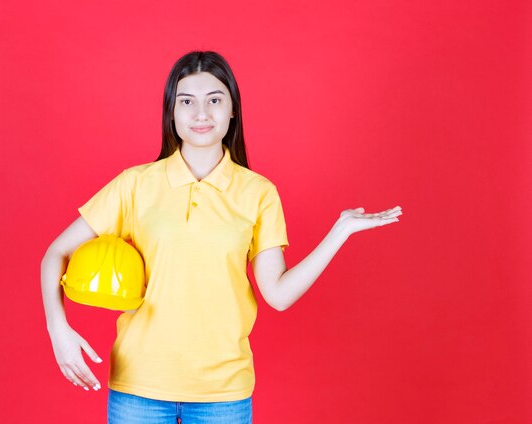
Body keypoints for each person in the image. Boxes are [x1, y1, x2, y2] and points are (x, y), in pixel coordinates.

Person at [41, 50, 402, 424]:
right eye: (187, 102)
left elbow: (278, 295)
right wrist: (58, 331)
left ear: (232, 111)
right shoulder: (135, 185)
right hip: (139, 387)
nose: (201, 113)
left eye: (215, 100)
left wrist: (339, 231)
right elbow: (56, 254)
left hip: (223, 395)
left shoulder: (258, 192)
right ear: (172, 112)